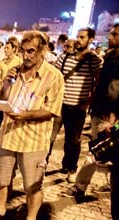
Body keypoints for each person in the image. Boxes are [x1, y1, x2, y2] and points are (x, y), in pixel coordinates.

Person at [0, 31, 64, 220]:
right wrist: (5, 84)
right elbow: (0, 98)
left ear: (43, 50)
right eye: (22, 51)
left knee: (33, 185)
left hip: (33, 140)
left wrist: (25, 115)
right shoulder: (15, 71)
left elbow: (52, 110)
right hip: (7, 136)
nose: (26, 56)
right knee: (2, 179)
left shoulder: (53, 76)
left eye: (31, 51)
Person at [84, 23, 119, 220]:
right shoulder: (110, 59)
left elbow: (113, 94)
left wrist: (115, 125)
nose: (111, 36)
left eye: (116, 33)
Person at [51, 27, 102, 183]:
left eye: (82, 37)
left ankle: (70, 168)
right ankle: (41, 163)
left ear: (90, 39)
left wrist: (88, 101)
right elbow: (53, 76)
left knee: (73, 141)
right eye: (77, 37)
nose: (78, 40)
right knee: (49, 137)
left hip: (78, 107)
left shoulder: (94, 59)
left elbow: (98, 82)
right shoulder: (64, 56)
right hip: (59, 105)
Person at [0, 37, 22, 140]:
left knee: (8, 114)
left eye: (7, 48)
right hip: (2, 90)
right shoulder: (2, 62)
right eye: (5, 48)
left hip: (13, 91)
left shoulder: (19, 62)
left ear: (14, 49)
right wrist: (0, 87)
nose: (5, 50)